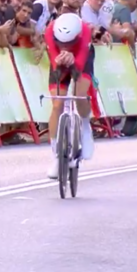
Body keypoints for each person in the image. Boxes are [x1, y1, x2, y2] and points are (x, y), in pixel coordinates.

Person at [43, 13, 95, 179]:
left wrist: (74, 61)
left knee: (80, 95)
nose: (65, 46)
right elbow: (53, 60)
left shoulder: (85, 30)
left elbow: (80, 63)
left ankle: (86, 126)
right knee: (57, 104)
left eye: (69, 43)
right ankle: (57, 157)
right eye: (61, 42)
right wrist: (59, 60)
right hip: (58, 60)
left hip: (82, 57)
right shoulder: (50, 31)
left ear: (77, 36)